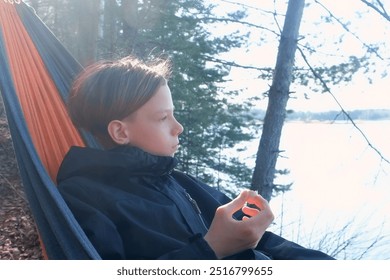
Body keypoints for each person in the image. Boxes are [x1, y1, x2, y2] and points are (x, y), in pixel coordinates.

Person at [57, 55, 334, 260]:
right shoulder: (84, 195)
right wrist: (211, 249)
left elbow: (261, 241)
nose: (178, 127)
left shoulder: (178, 183)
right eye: (163, 117)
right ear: (120, 131)